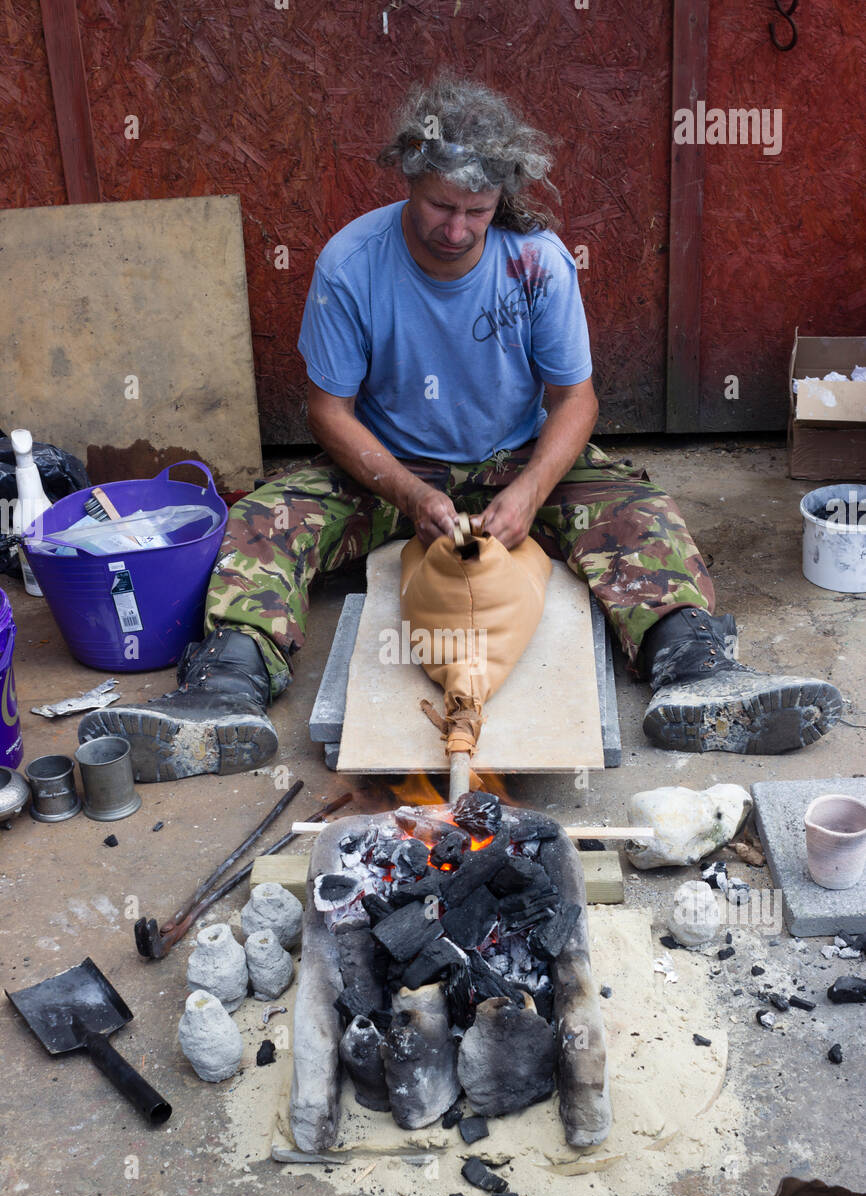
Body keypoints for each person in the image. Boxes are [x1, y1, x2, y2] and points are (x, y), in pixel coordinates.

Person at [80, 74, 842, 779]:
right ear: (408, 177)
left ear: (502, 200)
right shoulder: (352, 263)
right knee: (265, 520)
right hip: (390, 466)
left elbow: (575, 400)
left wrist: (534, 488)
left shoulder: (537, 262)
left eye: (477, 213)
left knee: (637, 513)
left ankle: (699, 679)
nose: (457, 228)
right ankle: (226, 691)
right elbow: (327, 412)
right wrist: (411, 495)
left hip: (513, 456)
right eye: (442, 205)